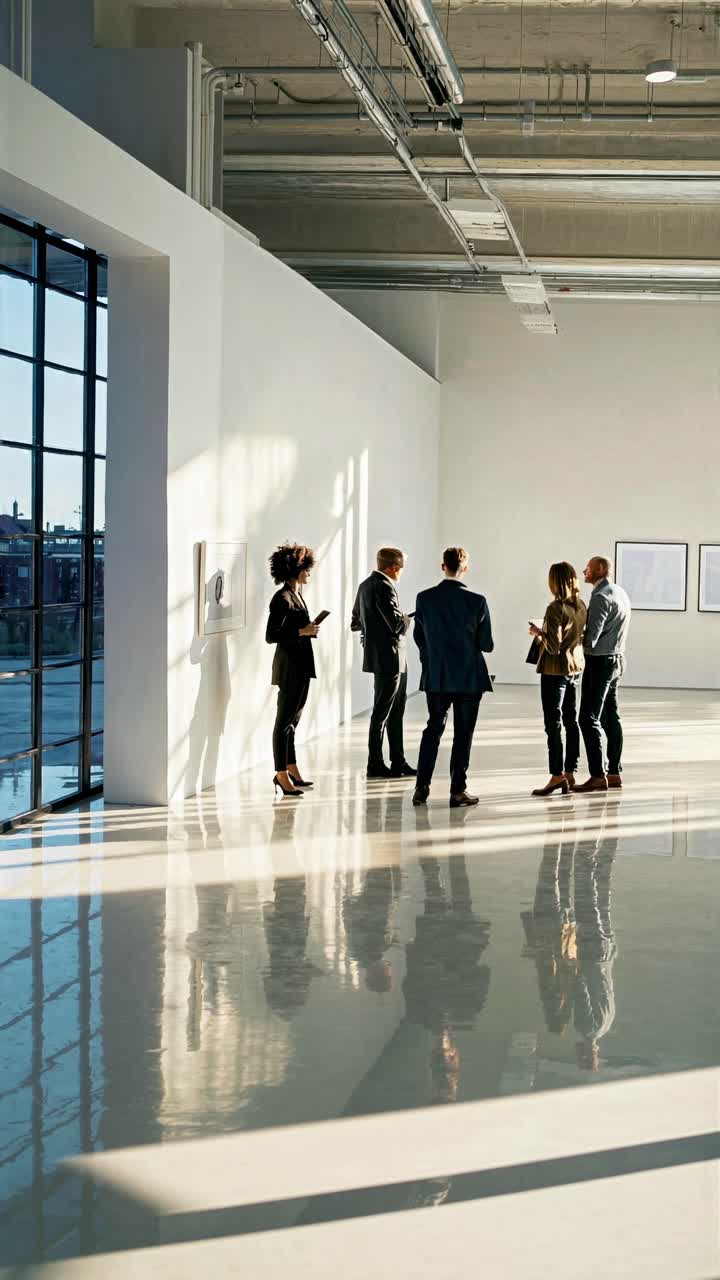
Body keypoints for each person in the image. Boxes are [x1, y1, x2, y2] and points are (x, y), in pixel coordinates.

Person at [412, 547, 494, 808]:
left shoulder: (424, 598)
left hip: (437, 676)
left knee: (433, 728)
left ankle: (421, 787)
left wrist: (433, 656)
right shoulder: (477, 601)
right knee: (463, 734)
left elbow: (419, 638)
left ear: (442, 566)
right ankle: (457, 791)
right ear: (465, 568)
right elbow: (486, 644)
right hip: (469, 677)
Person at [351, 548, 416, 779]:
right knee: (383, 713)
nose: (401, 572)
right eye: (400, 568)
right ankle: (375, 764)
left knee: (394, 711)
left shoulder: (365, 585)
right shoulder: (384, 586)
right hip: (390, 657)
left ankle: (398, 761)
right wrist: (406, 620)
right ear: (391, 567)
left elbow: (355, 622)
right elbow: (396, 625)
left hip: (382, 657)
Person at [528, 561, 587, 796]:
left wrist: (539, 633)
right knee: (571, 721)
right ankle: (570, 772)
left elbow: (552, 647)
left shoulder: (554, 608)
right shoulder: (580, 605)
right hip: (574, 668)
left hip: (554, 671)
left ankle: (556, 775)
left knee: (553, 723)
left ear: (554, 582)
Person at [266, 542, 319, 798]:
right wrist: (302, 631)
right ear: (297, 570)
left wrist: (307, 628)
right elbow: (271, 635)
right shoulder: (282, 598)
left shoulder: (296, 594)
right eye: (306, 570)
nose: (309, 574)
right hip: (289, 668)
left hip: (301, 665)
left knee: (293, 722)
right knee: (283, 723)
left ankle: (291, 767)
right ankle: (280, 774)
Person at [574, 555, 631, 793]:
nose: (584, 571)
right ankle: (614, 772)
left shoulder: (599, 597)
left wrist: (569, 637)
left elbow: (591, 640)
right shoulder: (620, 592)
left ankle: (598, 775)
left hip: (599, 663)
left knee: (587, 718)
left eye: (587, 567)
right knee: (610, 717)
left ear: (598, 569)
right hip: (617, 660)